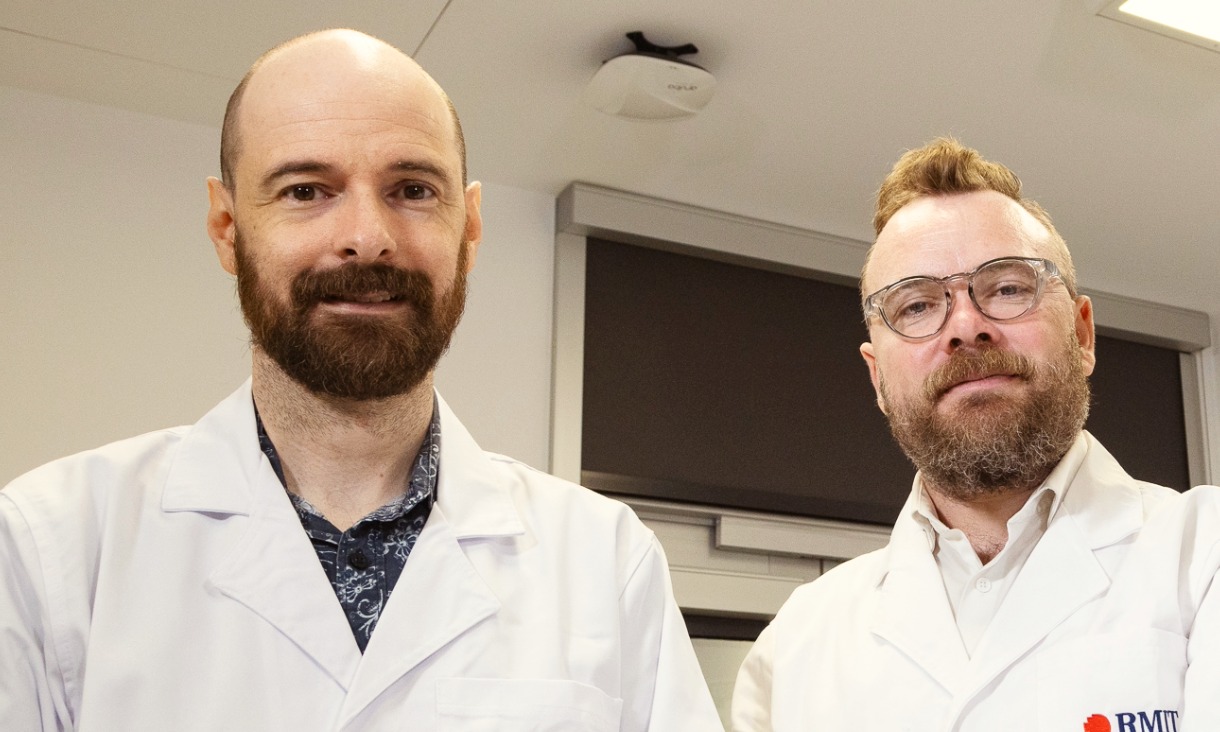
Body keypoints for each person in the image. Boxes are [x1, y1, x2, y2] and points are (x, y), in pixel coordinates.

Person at [0, 29, 722, 731]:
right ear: (227, 227)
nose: (367, 234)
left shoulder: (604, 561)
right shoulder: (53, 550)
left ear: (469, 230)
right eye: (306, 190)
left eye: (411, 189)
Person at [732, 138, 1220, 731]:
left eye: (1008, 288)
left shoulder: (1202, 560)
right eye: (915, 306)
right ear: (878, 378)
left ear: (1084, 335)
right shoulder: (798, 646)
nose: (965, 326)